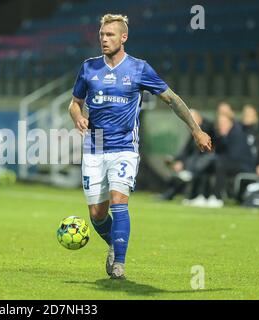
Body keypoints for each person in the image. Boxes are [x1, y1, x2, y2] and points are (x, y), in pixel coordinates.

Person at [68, 14, 212, 279]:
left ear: (124, 37)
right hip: (94, 147)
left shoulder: (139, 68)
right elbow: (74, 103)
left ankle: (119, 265)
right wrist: (78, 117)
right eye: (101, 34)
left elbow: (172, 99)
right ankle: (114, 242)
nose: (104, 39)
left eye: (110, 35)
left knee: (119, 203)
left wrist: (196, 129)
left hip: (124, 148)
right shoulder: (88, 68)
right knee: (97, 216)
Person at [160, 109, 215, 204]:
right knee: (179, 173)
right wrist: (176, 160)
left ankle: (193, 195)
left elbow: (204, 151)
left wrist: (183, 163)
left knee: (196, 166)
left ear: (198, 118)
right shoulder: (194, 133)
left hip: (205, 162)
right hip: (194, 162)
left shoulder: (207, 130)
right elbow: (186, 150)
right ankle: (169, 194)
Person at [211, 113, 256, 207]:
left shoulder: (237, 133)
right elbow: (218, 152)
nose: (221, 125)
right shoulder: (224, 135)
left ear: (230, 123)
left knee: (220, 165)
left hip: (245, 165)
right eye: (220, 123)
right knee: (210, 164)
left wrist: (223, 137)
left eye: (223, 123)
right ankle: (202, 195)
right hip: (234, 163)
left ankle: (217, 198)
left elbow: (234, 156)